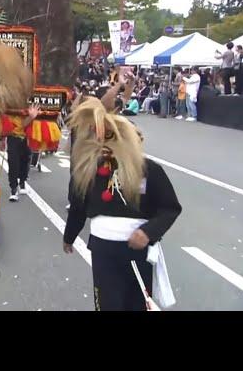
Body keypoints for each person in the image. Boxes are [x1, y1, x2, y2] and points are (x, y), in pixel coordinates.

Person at [63, 98, 182, 311]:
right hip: (103, 250)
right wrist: (69, 237)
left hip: (137, 249)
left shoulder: (148, 169)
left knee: (136, 304)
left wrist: (148, 232)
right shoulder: (88, 171)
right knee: (108, 303)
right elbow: (78, 206)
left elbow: (169, 208)